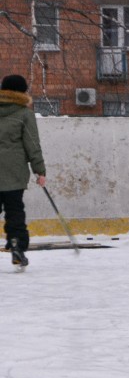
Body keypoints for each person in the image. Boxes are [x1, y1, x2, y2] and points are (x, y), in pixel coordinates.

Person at [0, 73, 46, 271]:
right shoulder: (24, 114)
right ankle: (17, 244)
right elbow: (32, 144)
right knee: (14, 210)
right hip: (14, 172)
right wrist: (39, 170)